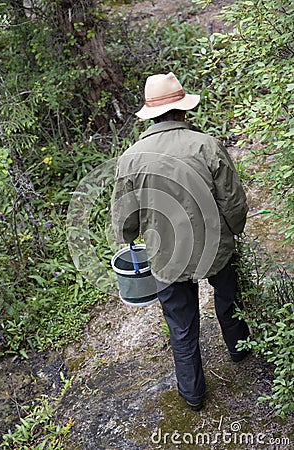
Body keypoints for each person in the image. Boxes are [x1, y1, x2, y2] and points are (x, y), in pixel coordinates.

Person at [111, 72, 250, 411]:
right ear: (183, 111)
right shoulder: (205, 145)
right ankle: (240, 350)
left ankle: (192, 394)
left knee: (180, 323)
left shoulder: (130, 158)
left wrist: (130, 238)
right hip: (214, 246)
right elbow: (233, 202)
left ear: (152, 114)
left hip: (166, 255)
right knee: (229, 300)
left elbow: (124, 217)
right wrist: (234, 230)